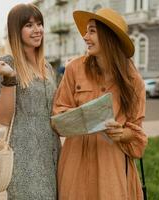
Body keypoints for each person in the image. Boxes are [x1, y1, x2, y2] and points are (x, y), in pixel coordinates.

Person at [52, 8, 148, 200]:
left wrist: (121, 133)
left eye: (92, 31)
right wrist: (82, 116)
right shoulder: (73, 69)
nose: (85, 37)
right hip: (75, 161)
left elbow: (136, 132)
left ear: (109, 35)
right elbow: (58, 113)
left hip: (111, 165)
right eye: (86, 31)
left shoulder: (133, 80)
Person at [0, 3, 61, 200]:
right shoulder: (7, 63)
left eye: (39, 24)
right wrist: (9, 77)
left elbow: (55, 110)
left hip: (53, 156)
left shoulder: (48, 67)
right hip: (25, 159)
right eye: (29, 25)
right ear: (16, 31)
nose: (37, 30)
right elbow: (4, 117)